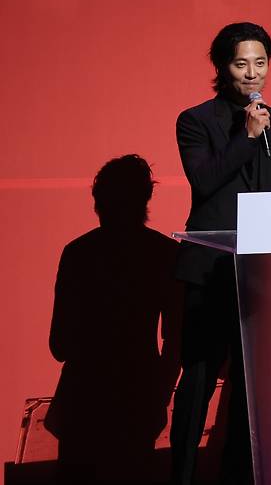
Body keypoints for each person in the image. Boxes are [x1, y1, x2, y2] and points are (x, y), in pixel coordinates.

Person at [170, 22, 271, 485]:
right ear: (222, 66)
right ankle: (183, 475)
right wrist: (245, 138)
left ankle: (239, 475)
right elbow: (205, 182)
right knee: (199, 381)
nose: (252, 73)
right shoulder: (195, 121)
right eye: (241, 63)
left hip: (261, 273)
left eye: (261, 62)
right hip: (209, 271)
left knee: (252, 388)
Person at [46, 154, 182, 485]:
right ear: (145, 198)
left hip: (83, 405)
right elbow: (177, 341)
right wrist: (157, 394)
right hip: (137, 406)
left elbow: (59, 344)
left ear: (99, 200)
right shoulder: (166, 254)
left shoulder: (78, 253)